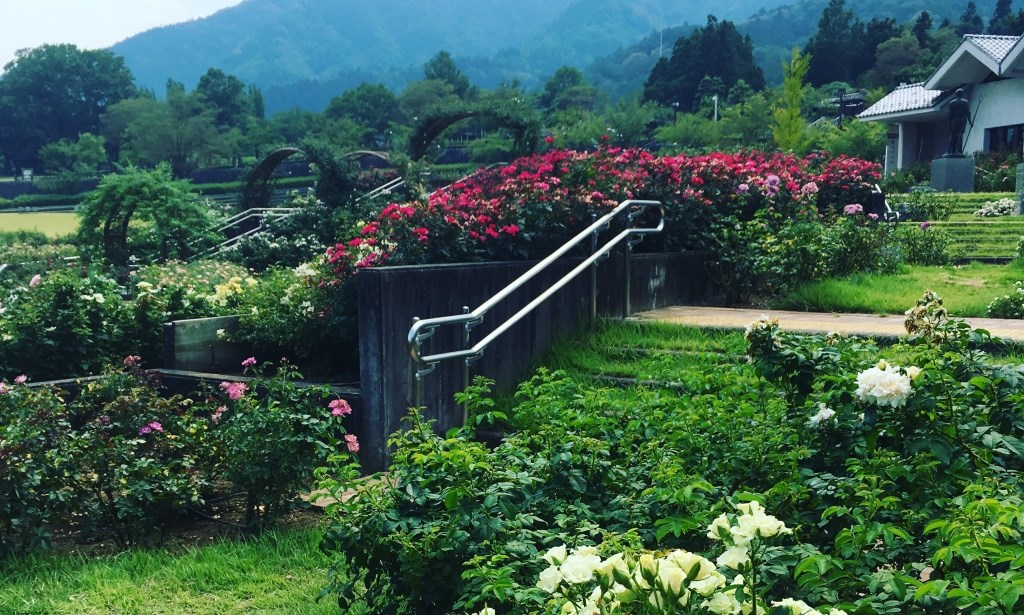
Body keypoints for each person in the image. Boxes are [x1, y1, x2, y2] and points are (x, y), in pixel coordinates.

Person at [947, 88, 973, 156]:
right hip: (962, 120)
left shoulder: (952, 103)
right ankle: (958, 151)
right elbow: (968, 113)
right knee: (960, 135)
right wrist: (970, 122)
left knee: (952, 136)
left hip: (954, 120)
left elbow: (950, 115)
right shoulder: (965, 102)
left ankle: (948, 151)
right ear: (962, 94)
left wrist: (949, 124)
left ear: (956, 94)